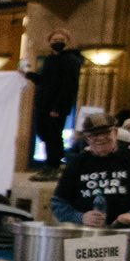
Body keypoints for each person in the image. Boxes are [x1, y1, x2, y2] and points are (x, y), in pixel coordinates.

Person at [50, 111, 130, 225]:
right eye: (94, 134)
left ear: (115, 133)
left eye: (106, 132)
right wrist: (80, 217)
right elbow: (58, 203)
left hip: (127, 233)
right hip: (84, 234)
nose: (101, 137)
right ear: (87, 139)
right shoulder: (76, 163)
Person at [27, 29, 84, 172]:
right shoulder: (50, 59)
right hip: (44, 105)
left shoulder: (71, 60)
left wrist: (58, 108)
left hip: (56, 107)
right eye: (54, 40)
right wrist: (29, 75)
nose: (57, 42)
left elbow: (69, 87)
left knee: (54, 135)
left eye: (61, 39)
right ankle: (51, 161)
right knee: (43, 133)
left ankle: (53, 164)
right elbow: (45, 81)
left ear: (67, 42)